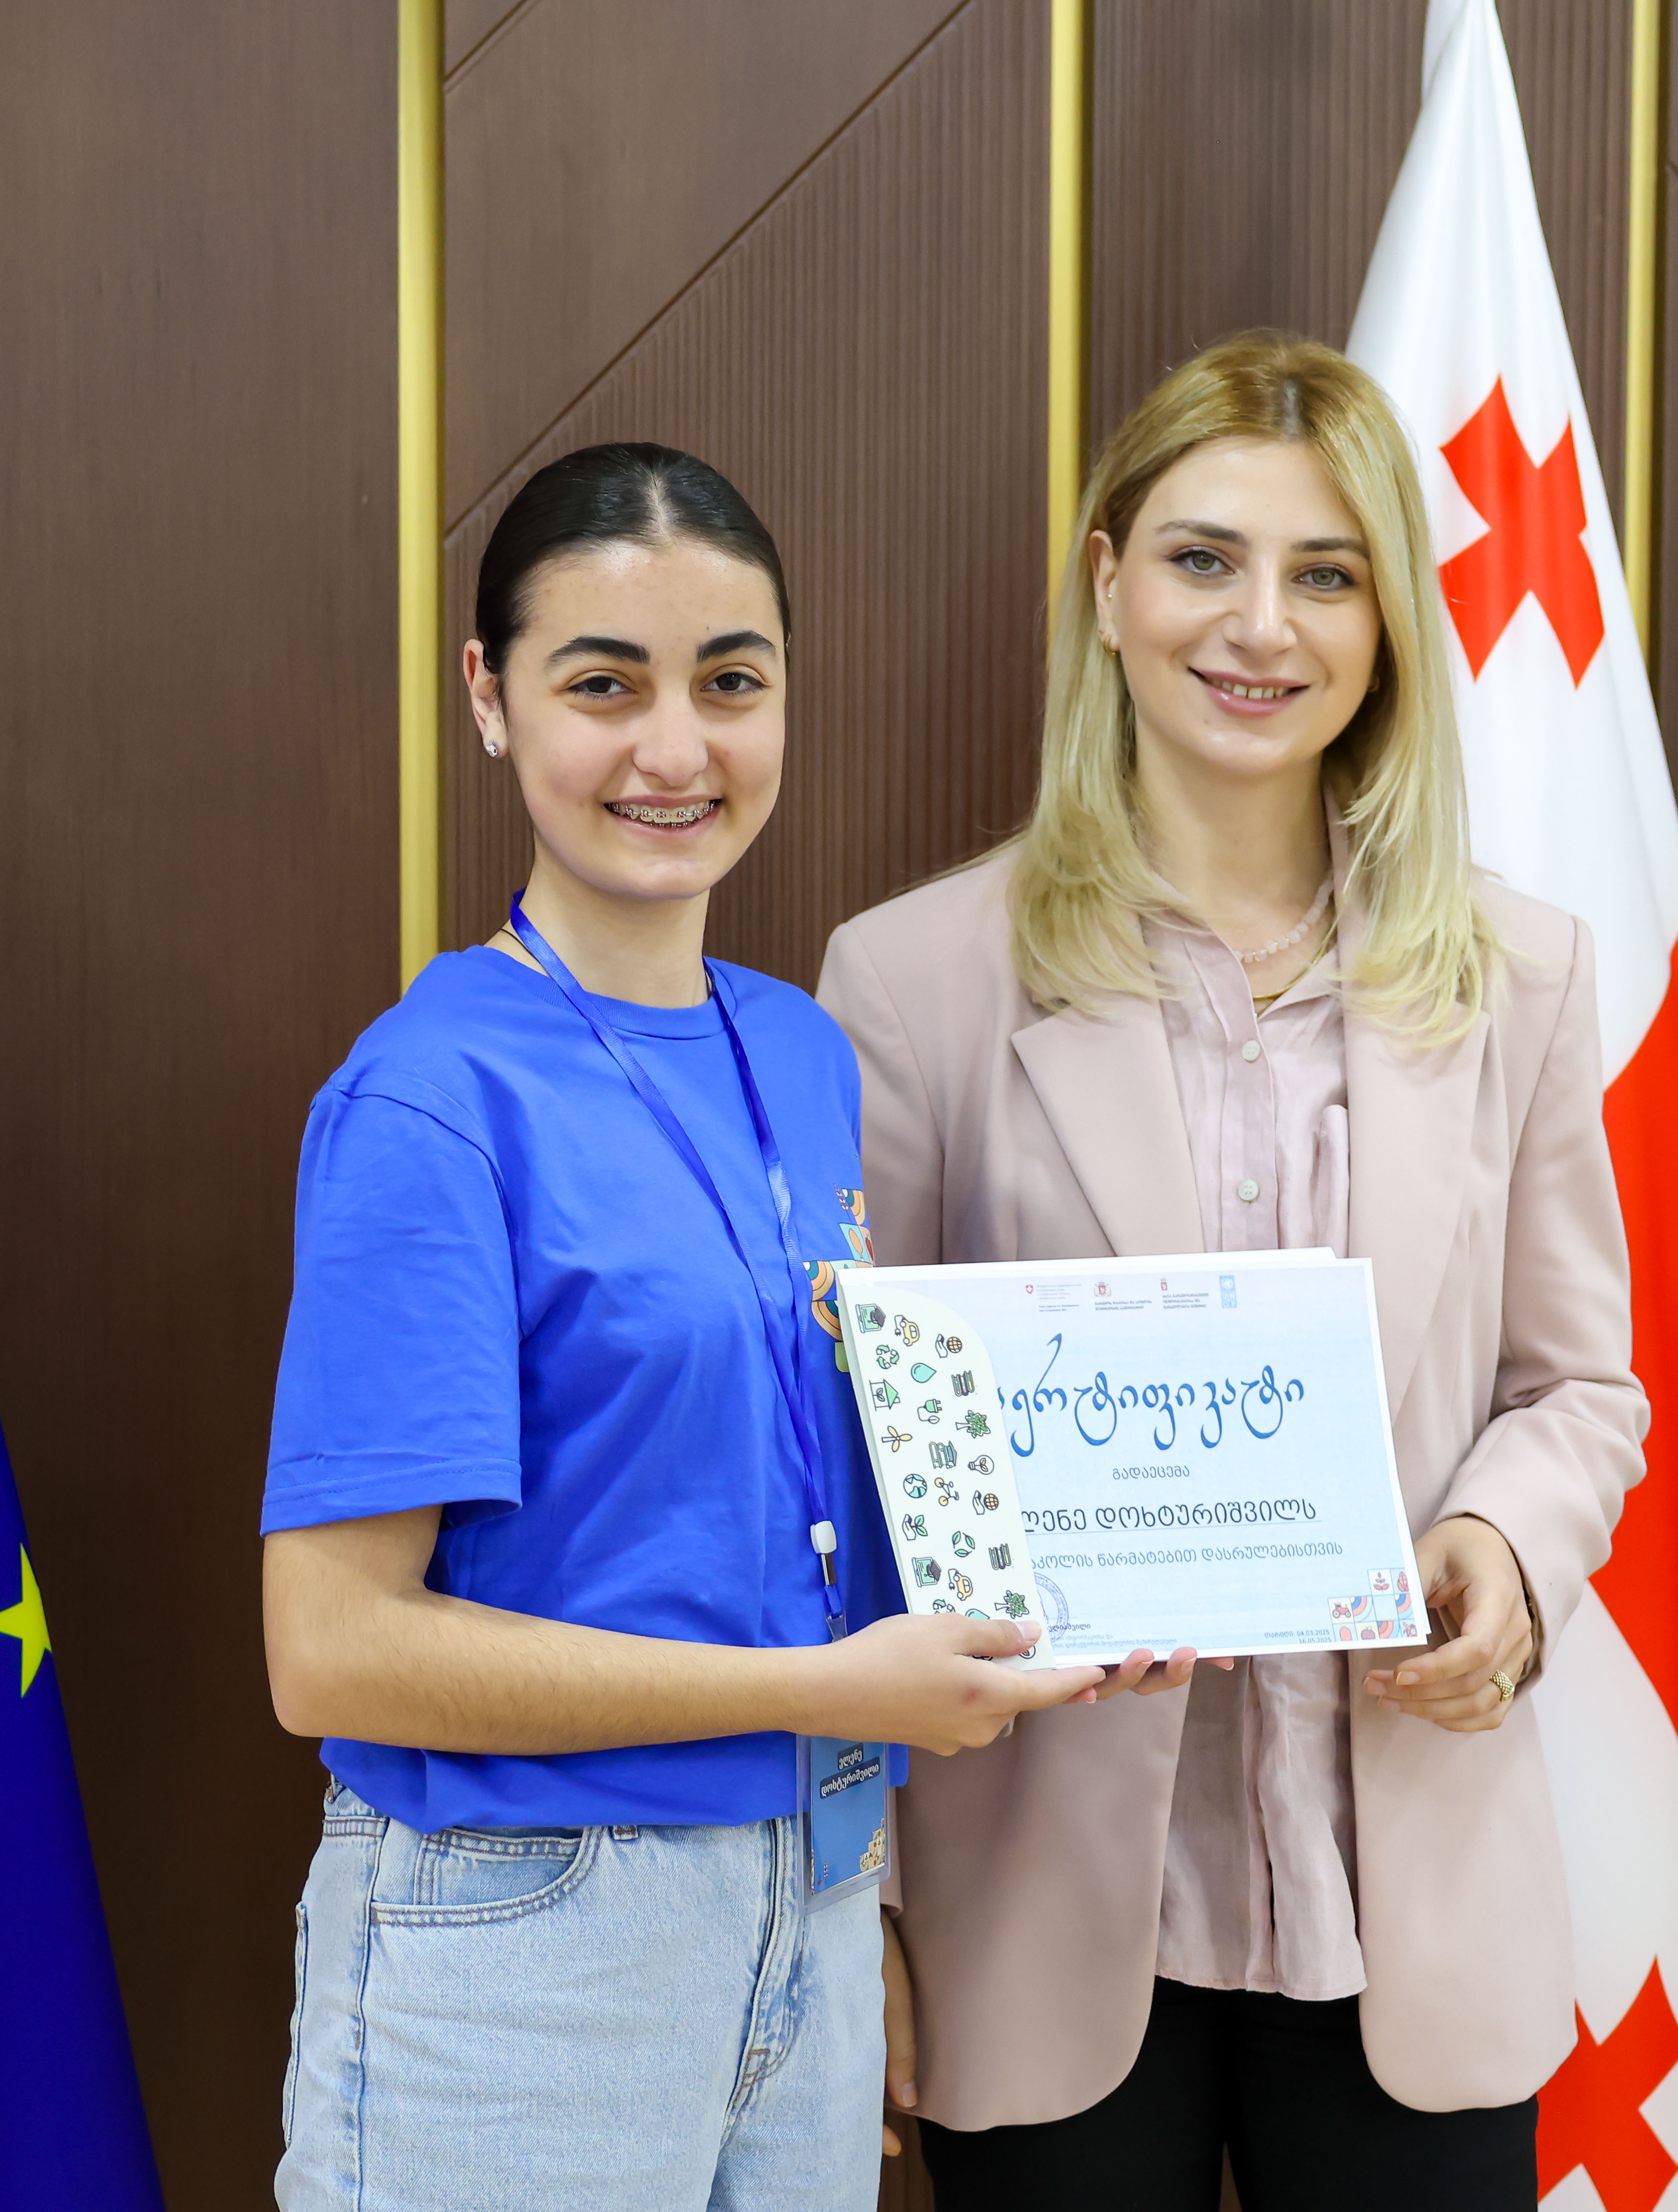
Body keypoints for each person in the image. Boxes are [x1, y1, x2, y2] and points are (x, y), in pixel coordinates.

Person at [818, 335, 1648, 2212]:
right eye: (1204, 559)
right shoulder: (911, 983)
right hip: (1036, 1900)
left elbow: (1578, 1386)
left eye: (1326, 574)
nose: (1261, 626)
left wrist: (1506, 1548)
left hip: (1405, 1911)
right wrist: (854, 1900)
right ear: (1108, 584)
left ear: (1387, 627)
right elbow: (853, 1472)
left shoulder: (1519, 978)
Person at [260, 441, 1098, 2212]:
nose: (674, 749)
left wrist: (1087, 1609)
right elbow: (330, 1650)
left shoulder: (800, 1050)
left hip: (806, 1903)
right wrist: (814, 1696)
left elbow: (792, 1522)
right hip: (529, 1941)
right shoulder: (429, 1098)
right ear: (489, 697)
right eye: (603, 685)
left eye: (730, 683)